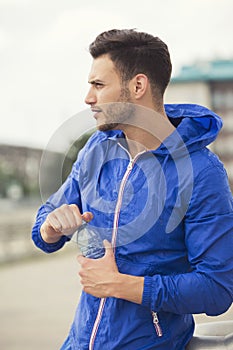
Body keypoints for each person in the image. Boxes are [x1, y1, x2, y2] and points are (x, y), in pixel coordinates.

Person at [32, 29, 233, 350]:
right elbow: (44, 225)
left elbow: (217, 289)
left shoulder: (201, 172)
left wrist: (124, 286)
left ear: (137, 86)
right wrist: (51, 227)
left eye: (98, 85)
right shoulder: (97, 148)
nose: (88, 98)